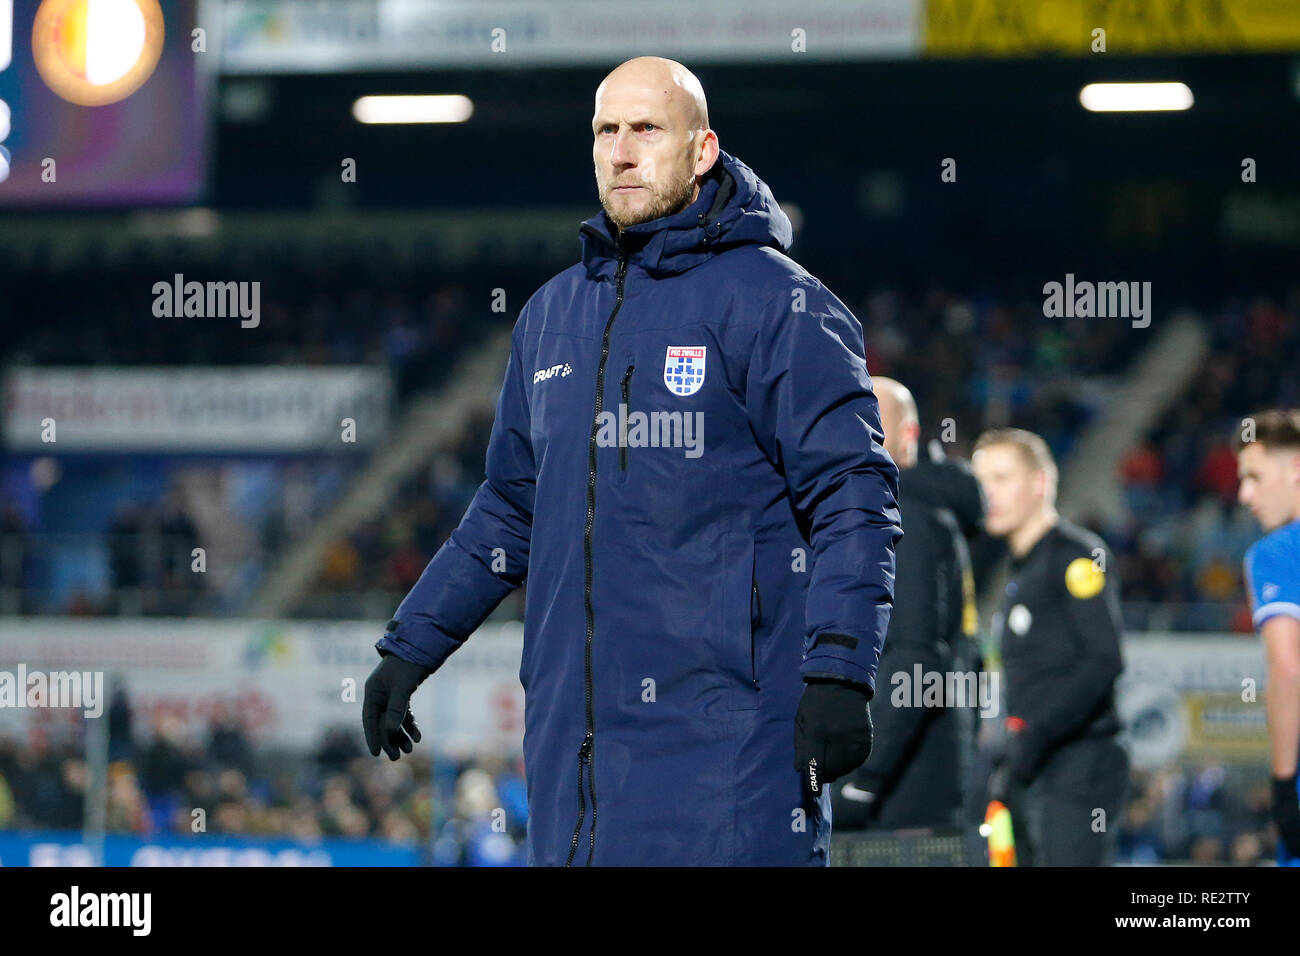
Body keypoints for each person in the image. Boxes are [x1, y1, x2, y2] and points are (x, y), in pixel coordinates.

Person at [362, 56, 902, 866]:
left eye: (646, 128)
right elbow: (511, 506)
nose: (622, 150)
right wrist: (410, 647)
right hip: (572, 755)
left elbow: (853, 492)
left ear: (702, 148)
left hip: (731, 750)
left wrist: (840, 670)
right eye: (605, 131)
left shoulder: (778, 302)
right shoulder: (550, 316)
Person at [834, 378, 984, 830]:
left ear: (909, 437)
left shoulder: (907, 517)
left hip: (902, 795)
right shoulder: (910, 508)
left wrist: (862, 778)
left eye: (872, 420)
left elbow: (916, 658)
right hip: (915, 778)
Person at [972, 428, 1126, 865]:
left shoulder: (1076, 557)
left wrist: (1031, 736)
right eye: (982, 481)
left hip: (1078, 763)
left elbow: (1104, 660)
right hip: (1035, 764)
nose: (989, 494)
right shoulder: (1020, 566)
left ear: (1039, 482)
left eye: (1002, 478)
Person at [1236, 409, 1300, 865]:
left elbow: (1287, 668)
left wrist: (1282, 786)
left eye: (1255, 477)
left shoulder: (1277, 552)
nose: (1244, 495)